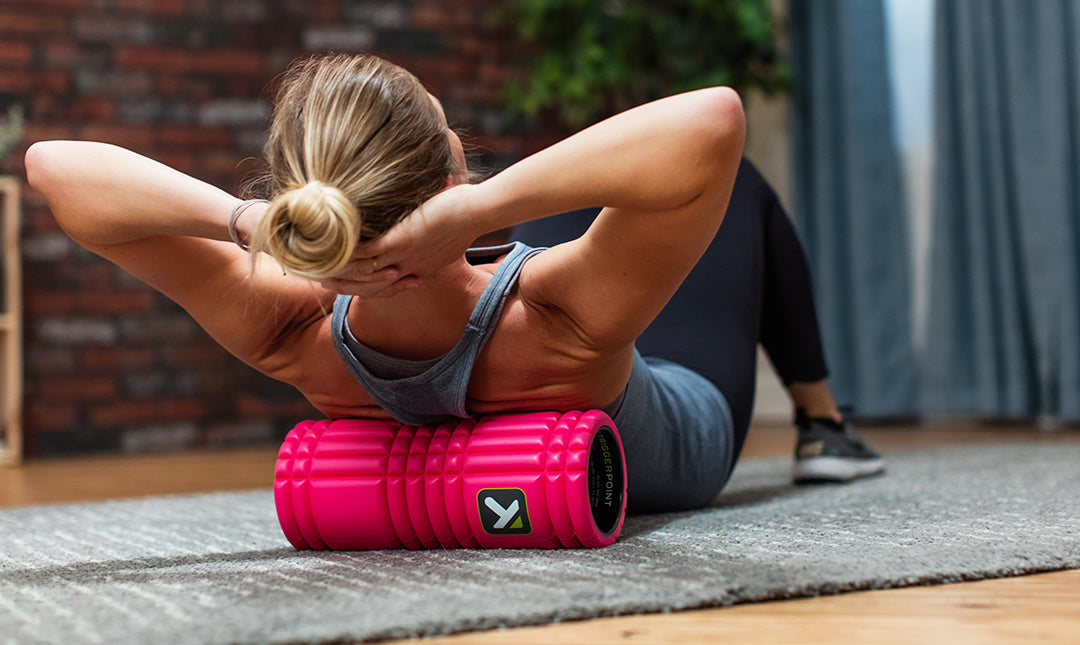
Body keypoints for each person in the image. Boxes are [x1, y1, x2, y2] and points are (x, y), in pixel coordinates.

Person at [26, 53, 882, 514]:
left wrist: (248, 222)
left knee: (567, 220)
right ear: (450, 180)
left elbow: (54, 168)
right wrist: (482, 209)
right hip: (686, 426)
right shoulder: (554, 312)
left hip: (520, 322)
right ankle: (823, 422)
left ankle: (824, 423)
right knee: (745, 196)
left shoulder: (289, 331)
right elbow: (713, 121)